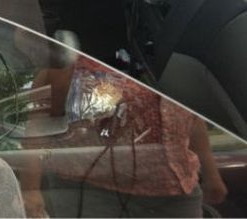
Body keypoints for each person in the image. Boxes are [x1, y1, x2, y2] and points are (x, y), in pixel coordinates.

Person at [21, 55, 228, 218]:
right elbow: (38, 128)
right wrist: (30, 189)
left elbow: (191, 118)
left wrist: (211, 174)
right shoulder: (72, 66)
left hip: (177, 193)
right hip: (96, 193)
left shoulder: (173, 61)